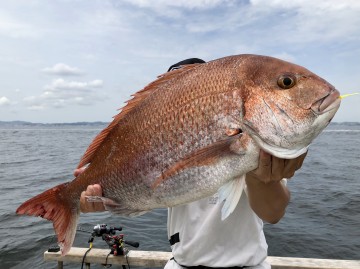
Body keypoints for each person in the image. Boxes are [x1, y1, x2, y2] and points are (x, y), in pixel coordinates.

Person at [77, 59, 308, 269]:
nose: (174, 105)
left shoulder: (248, 138)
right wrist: (98, 198)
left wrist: (262, 178)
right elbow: (134, 182)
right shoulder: (165, 139)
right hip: (182, 264)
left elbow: (273, 212)